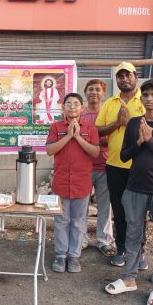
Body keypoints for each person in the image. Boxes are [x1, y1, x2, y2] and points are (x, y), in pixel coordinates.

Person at [105, 79, 153, 305]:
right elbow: (125, 155)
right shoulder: (135, 123)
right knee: (132, 235)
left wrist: (151, 141)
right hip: (135, 188)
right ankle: (129, 278)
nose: (149, 98)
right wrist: (139, 141)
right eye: (146, 94)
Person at [96, 62, 147, 268]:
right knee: (119, 210)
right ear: (116, 80)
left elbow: (151, 129)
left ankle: (139, 253)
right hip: (114, 165)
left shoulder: (144, 100)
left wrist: (129, 124)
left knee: (139, 212)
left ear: (135, 77)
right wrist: (117, 123)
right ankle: (122, 250)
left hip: (139, 166)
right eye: (120, 76)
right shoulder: (110, 103)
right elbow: (98, 131)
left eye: (128, 75)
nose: (124, 79)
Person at [47, 93, 99, 273]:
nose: (72, 107)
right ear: (63, 108)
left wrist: (78, 136)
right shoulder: (56, 127)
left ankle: (74, 256)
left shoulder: (91, 129)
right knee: (61, 220)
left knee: (78, 222)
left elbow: (95, 152)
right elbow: (50, 150)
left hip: (81, 183)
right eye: (68, 104)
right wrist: (68, 136)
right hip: (61, 183)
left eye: (76, 104)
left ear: (82, 108)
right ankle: (61, 256)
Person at [81, 79, 115, 256]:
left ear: (103, 94)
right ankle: (81, 239)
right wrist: (98, 141)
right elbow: (78, 139)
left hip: (105, 165)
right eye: (90, 89)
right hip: (84, 167)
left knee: (105, 206)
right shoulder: (80, 114)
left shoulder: (109, 114)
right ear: (85, 93)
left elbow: (113, 139)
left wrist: (92, 141)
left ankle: (104, 240)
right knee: (81, 206)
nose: (94, 92)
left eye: (97, 90)